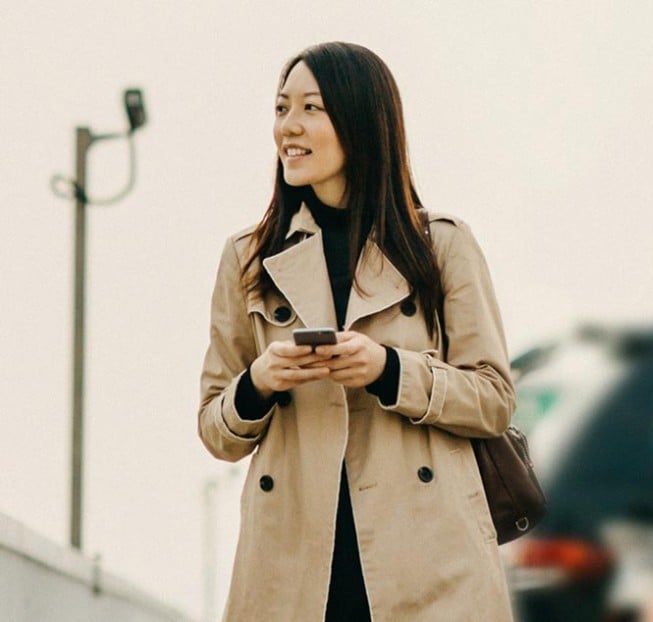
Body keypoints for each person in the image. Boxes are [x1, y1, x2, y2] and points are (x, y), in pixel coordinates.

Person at [197, 42, 516, 621]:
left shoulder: (440, 245)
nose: (288, 127)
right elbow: (216, 430)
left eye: (311, 108)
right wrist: (259, 381)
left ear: (362, 121)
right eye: (281, 108)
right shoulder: (249, 257)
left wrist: (388, 370)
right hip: (294, 564)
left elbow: (493, 399)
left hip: (427, 561)